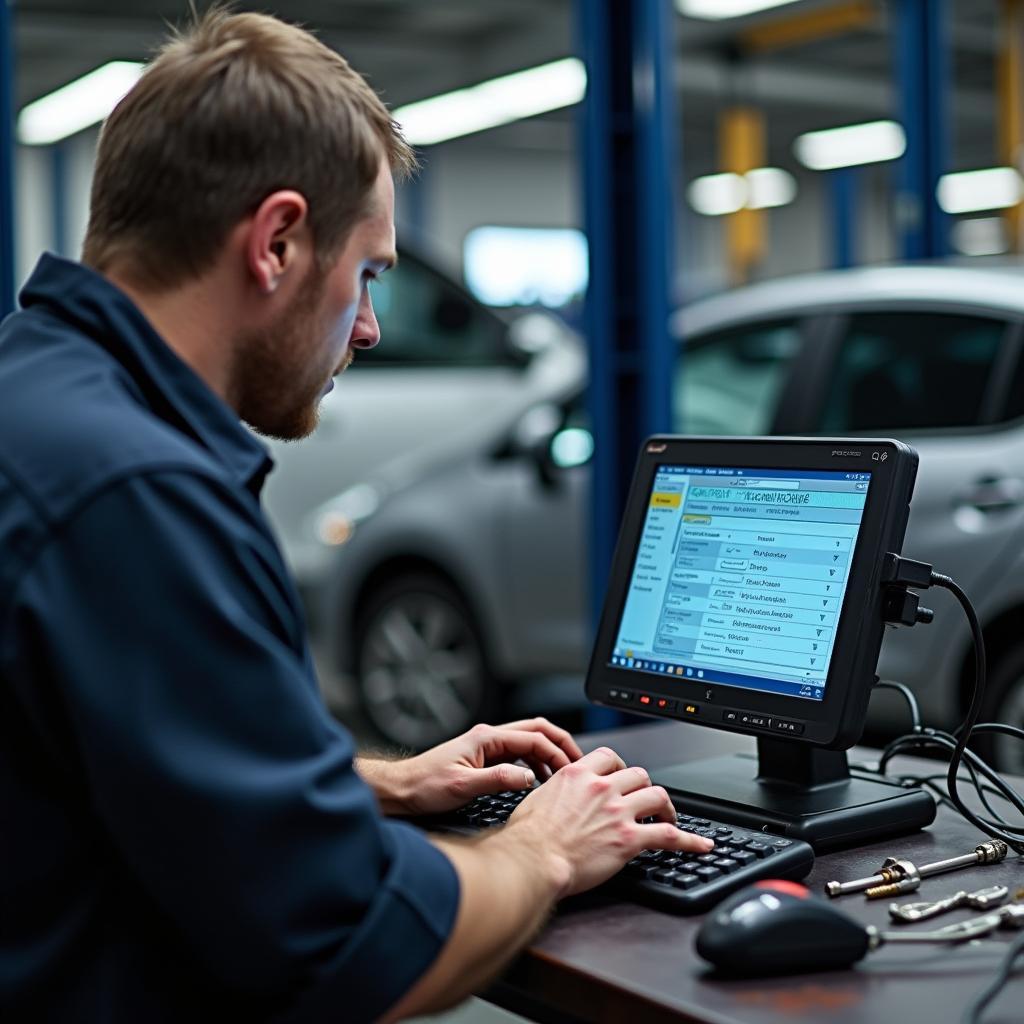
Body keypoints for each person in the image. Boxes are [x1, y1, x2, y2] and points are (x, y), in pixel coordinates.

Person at [0, 10, 713, 1023]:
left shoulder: (35, 391)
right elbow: (353, 950)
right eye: (367, 273)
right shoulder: (134, 490)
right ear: (278, 241)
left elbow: (107, 762)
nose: (369, 326)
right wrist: (541, 846)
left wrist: (370, 782)